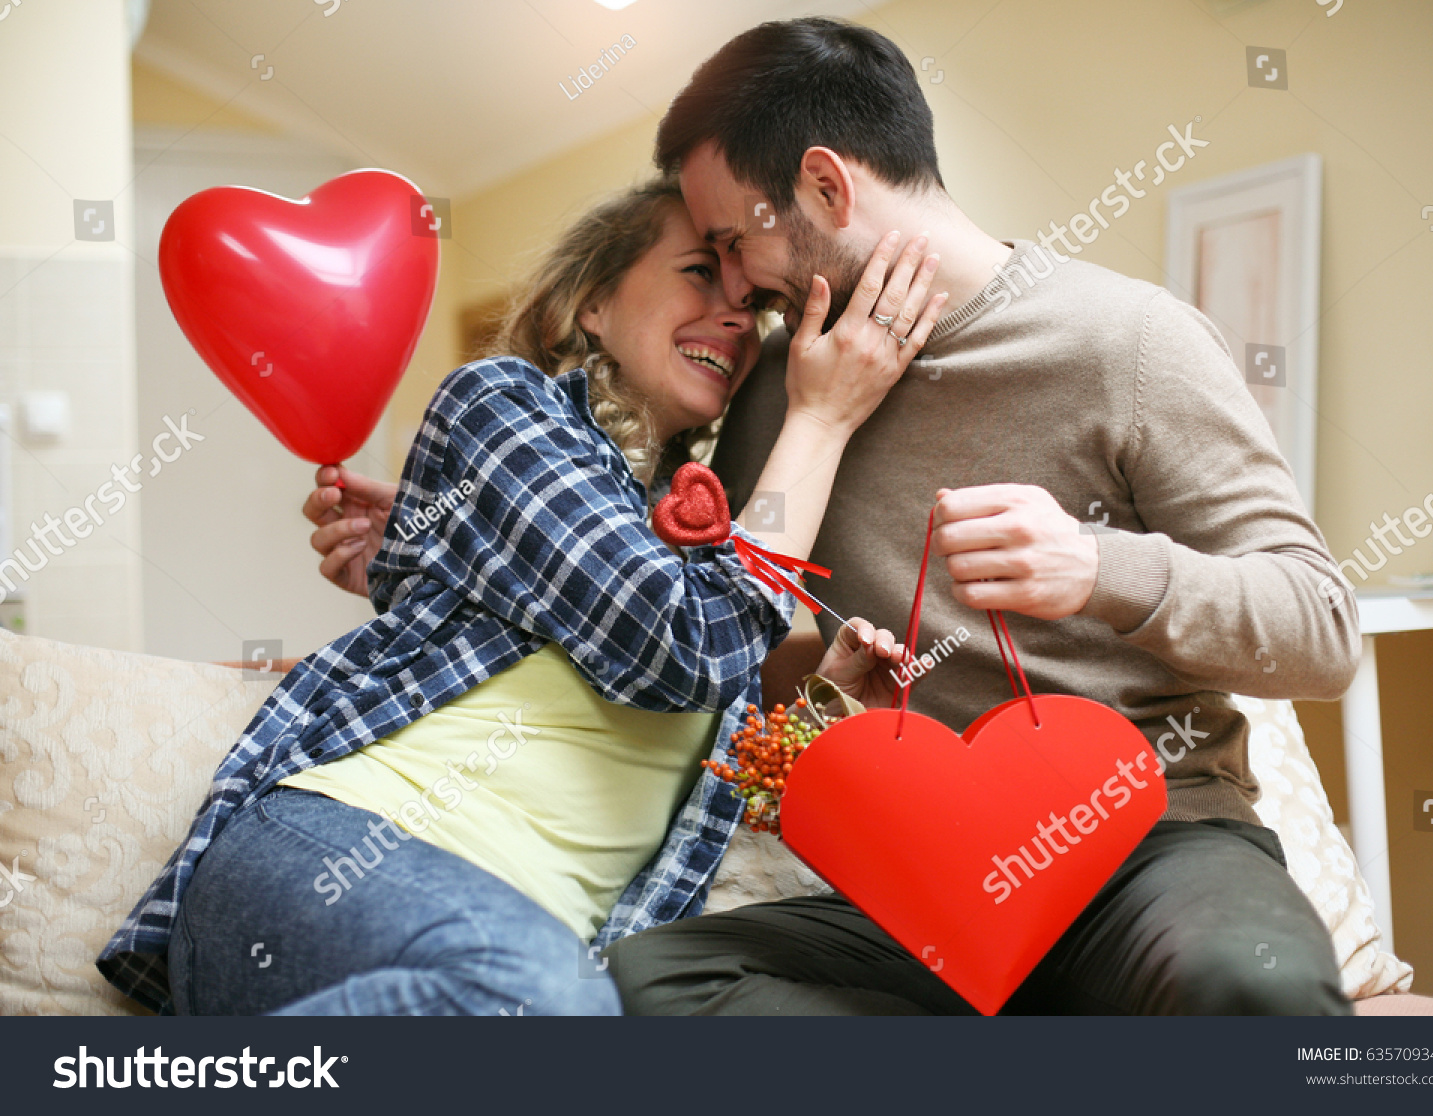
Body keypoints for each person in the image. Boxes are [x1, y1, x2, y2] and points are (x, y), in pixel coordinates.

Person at [306, 19, 1363, 1016]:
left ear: (822, 185)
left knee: (1253, 989)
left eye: (730, 242)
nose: (730, 284)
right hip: (925, 893)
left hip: (1151, 846)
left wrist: (1097, 567)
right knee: (648, 987)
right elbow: (674, 597)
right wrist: (455, 528)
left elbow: (1320, 628)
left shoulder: (1126, 341)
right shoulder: (779, 391)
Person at [95, 175, 945, 1016]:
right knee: (538, 1001)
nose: (734, 313)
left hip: (515, 961)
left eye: (750, 305)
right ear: (591, 305)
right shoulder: (501, 400)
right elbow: (686, 644)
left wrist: (812, 677)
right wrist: (822, 419)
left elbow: (697, 675)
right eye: (697, 271)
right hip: (336, 856)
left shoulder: (682, 542)